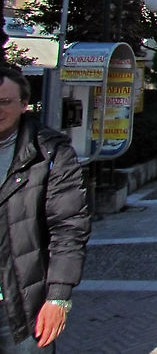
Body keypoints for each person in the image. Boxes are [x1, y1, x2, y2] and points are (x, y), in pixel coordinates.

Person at [0, 65, 90, 352]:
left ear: (24, 104)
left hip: (21, 304)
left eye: (5, 102)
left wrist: (58, 298)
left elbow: (68, 228)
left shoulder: (50, 153)